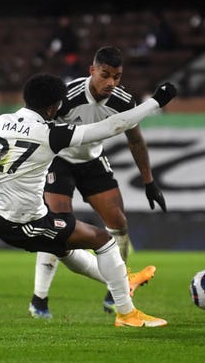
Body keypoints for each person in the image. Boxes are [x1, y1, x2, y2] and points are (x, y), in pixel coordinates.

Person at [0, 73, 177, 327]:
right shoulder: (51, 134)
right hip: (24, 223)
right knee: (103, 240)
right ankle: (126, 312)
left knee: (64, 248)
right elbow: (114, 126)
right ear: (53, 107)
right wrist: (156, 102)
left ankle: (121, 279)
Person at [29, 46, 167, 318]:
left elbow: (135, 140)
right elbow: (41, 128)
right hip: (60, 160)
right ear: (92, 71)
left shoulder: (123, 101)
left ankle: (116, 293)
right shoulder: (67, 97)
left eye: (117, 76)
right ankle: (39, 299)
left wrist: (149, 181)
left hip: (93, 160)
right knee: (57, 225)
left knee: (119, 223)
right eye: (105, 75)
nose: (111, 83)